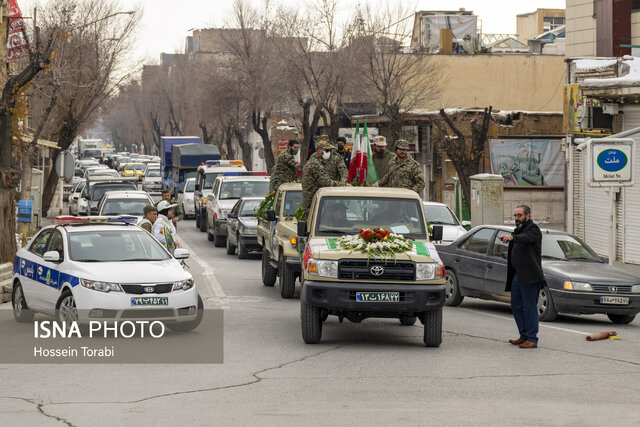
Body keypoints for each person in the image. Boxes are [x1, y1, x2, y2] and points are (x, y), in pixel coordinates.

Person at [498, 205, 545, 349]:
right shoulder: (518, 231)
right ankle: (524, 336)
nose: (517, 218)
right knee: (516, 305)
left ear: (528, 216)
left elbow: (527, 238)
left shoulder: (533, 229)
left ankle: (532, 338)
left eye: (519, 215)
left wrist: (512, 237)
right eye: (515, 216)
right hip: (518, 275)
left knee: (529, 307)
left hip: (530, 276)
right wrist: (512, 237)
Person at [301, 139, 346, 219]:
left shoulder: (316, 161)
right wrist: (342, 185)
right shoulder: (315, 163)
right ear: (319, 150)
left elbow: (343, 171)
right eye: (327, 150)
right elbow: (325, 181)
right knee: (314, 222)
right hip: (313, 200)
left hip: (319, 199)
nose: (329, 152)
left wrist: (343, 181)